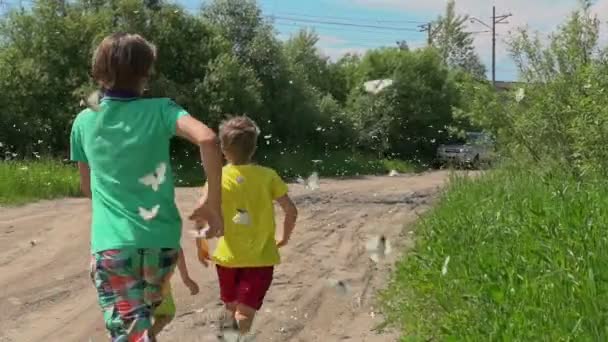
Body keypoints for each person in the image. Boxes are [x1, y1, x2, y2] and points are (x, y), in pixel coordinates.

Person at [71, 32, 223, 342]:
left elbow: (86, 187)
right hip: (162, 245)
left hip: (112, 246)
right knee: (141, 328)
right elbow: (207, 139)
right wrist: (213, 203)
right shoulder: (162, 110)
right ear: (146, 73)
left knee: (131, 333)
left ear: (98, 71)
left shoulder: (84, 122)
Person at [194, 116, 298, 337]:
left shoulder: (217, 177)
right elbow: (291, 211)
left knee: (230, 308)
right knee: (245, 314)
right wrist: (285, 237)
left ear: (223, 149)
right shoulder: (267, 176)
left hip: (227, 258)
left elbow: (201, 212)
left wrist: (201, 246)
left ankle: (226, 336)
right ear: (254, 147)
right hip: (259, 258)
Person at [149, 249, 199, 339]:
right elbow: (177, 250)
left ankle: (145, 336)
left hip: (136, 288)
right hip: (159, 290)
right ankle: (146, 337)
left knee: (142, 319)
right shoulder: (170, 242)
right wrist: (187, 280)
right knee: (166, 314)